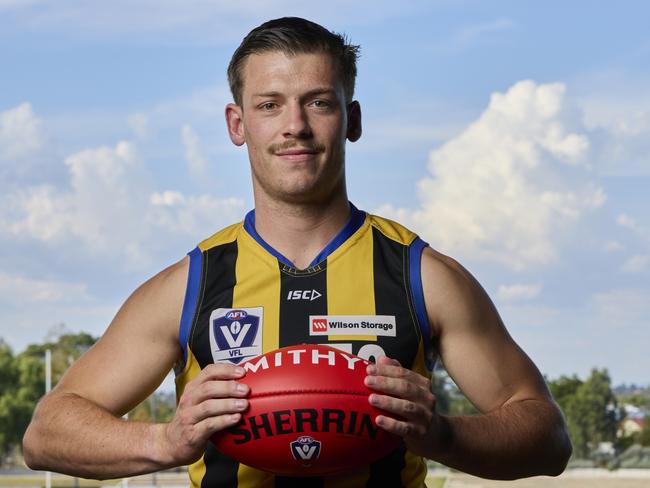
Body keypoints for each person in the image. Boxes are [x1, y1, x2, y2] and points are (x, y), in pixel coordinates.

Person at [23, 17, 572, 487]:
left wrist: (443, 433)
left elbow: (548, 437)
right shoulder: (189, 284)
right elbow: (46, 434)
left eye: (318, 103)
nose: (295, 127)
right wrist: (167, 440)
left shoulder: (420, 275)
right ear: (238, 125)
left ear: (351, 120)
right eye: (270, 105)